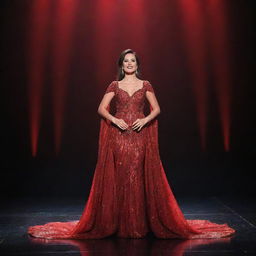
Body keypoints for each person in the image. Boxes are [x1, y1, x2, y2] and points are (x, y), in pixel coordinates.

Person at [27, 49, 235, 239]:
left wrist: (144, 120)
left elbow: (157, 109)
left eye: (132, 60)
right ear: (121, 64)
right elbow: (101, 108)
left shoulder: (145, 85)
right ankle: (117, 223)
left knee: (137, 174)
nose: (129, 63)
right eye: (126, 61)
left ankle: (139, 223)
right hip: (118, 136)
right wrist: (115, 119)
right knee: (120, 175)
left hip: (139, 135)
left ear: (137, 64)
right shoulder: (114, 85)